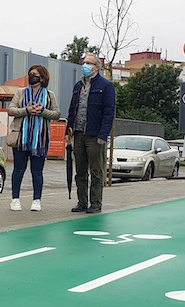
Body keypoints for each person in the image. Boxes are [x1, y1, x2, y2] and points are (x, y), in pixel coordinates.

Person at [65, 53, 116, 214]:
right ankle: (82, 202)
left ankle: (96, 203)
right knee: (80, 170)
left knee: (96, 171)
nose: (85, 65)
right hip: (78, 133)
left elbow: (109, 113)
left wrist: (103, 135)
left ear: (96, 67)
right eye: (84, 62)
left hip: (95, 135)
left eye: (88, 63)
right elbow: (72, 110)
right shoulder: (78, 86)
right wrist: (69, 130)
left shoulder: (106, 86)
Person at [7, 65, 60, 212]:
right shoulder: (20, 92)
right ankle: (15, 199)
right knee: (18, 169)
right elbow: (10, 110)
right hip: (21, 138)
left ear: (42, 78)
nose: (31, 77)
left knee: (37, 172)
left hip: (40, 139)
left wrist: (42, 111)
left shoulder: (50, 95)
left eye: (35, 75)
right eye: (30, 74)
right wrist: (26, 110)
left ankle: (36, 200)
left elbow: (56, 114)